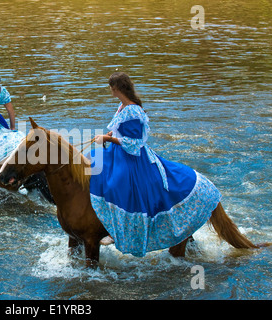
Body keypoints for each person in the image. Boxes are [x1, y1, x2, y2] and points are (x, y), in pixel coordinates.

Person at [89, 72, 221, 257]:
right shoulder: (122, 106)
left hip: (132, 156)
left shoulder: (133, 111)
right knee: (94, 160)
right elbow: (120, 131)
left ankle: (117, 229)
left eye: (111, 87)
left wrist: (108, 139)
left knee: (117, 183)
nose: (110, 90)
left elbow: (134, 142)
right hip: (120, 152)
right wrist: (109, 135)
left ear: (117, 88)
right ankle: (107, 223)